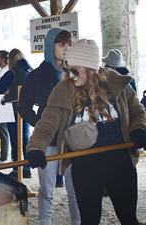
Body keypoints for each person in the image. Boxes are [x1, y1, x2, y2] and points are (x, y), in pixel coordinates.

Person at [26, 38, 146, 225]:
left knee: (128, 218)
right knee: (89, 220)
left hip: (120, 161)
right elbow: (46, 123)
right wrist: (35, 148)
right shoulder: (63, 90)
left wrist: (139, 130)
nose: (70, 74)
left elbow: (137, 111)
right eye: (67, 69)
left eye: (75, 69)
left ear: (91, 67)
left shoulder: (117, 84)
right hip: (85, 164)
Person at [19, 28, 80, 225]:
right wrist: (41, 126)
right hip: (49, 141)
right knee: (47, 190)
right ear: (50, 46)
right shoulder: (37, 75)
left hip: (73, 139)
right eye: (62, 44)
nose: (67, 48)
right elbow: (23, 106)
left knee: (76, 189)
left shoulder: (76, 72)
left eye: (69, 44)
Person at [0, 48, 33, 178]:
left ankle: (17, 170)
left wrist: (7, 93)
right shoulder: (30, 71)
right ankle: (27, 169)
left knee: (15, 140)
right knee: (25, 139)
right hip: (27, 109)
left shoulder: (12, 73)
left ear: (10, 60)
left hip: (13, 110)